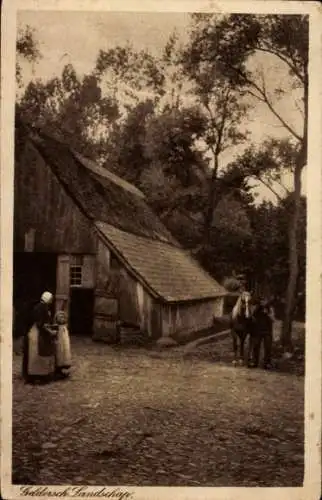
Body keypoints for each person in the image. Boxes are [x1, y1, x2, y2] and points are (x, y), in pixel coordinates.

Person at [22, 291, 56, 385]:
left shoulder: (41, 307)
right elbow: (40, 323)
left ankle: (36, 375)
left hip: (38, 331)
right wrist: (50, 332)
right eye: (51, 299)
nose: (52, 301)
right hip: (37, 333)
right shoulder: (41, 308)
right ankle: (37, 376)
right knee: (36, 354)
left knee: (38, 354)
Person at [54, 310, 72, 380]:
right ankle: (58, 369)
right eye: (60, 317)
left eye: (63, 317)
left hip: (64, 343)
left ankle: (62, 368)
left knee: (65, 353)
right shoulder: (57, 327)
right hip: (59, 344)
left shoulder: (64, 328)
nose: (62, 319)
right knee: (59, 354)